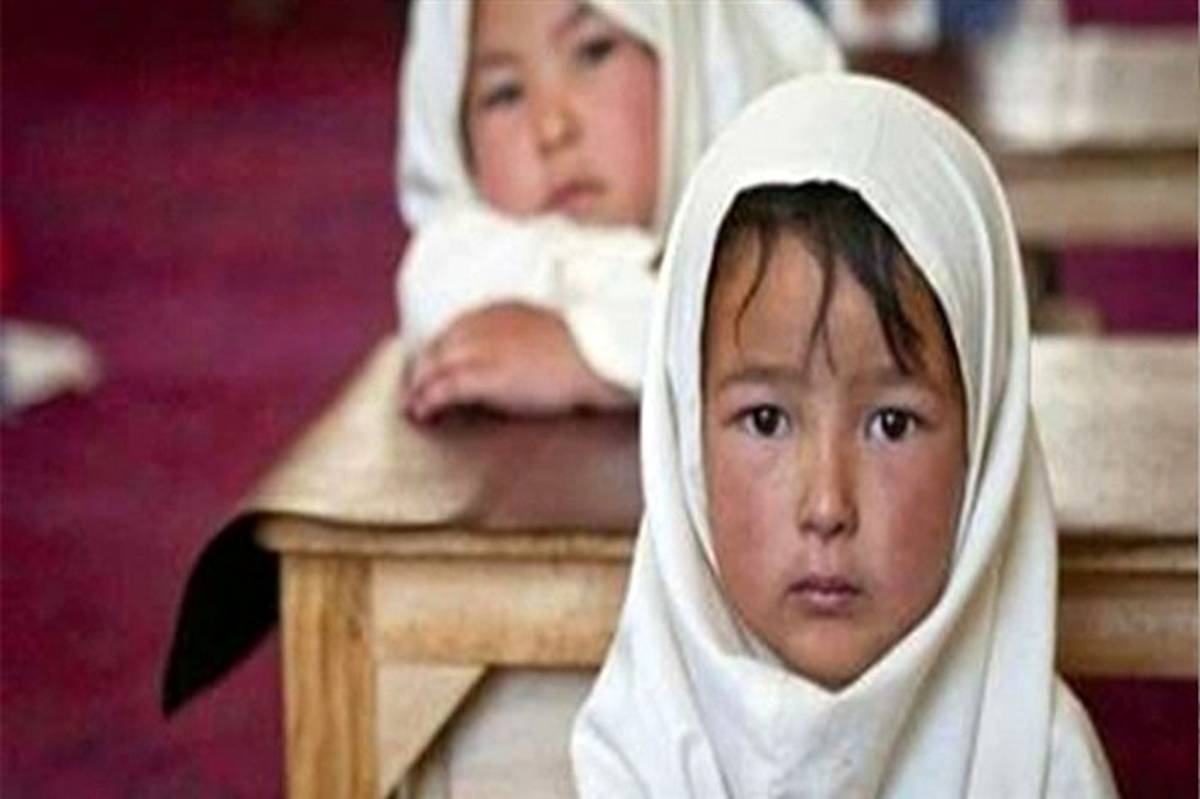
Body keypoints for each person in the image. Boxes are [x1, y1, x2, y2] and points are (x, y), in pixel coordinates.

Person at [571, 74, 1117, 796]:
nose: (827, 504)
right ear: (688, 443)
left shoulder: (1045, 765)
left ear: (982, 447)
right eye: (766, 420)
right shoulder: (634, 751)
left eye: (891, 424)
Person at [395, 0, 841, 422]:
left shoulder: (811, 239)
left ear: (691, 58)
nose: (552, 128)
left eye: (594, 52)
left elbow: (788, 332)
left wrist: (595, 353)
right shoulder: (460, 260)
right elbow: (438, 281)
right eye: (504, 93)